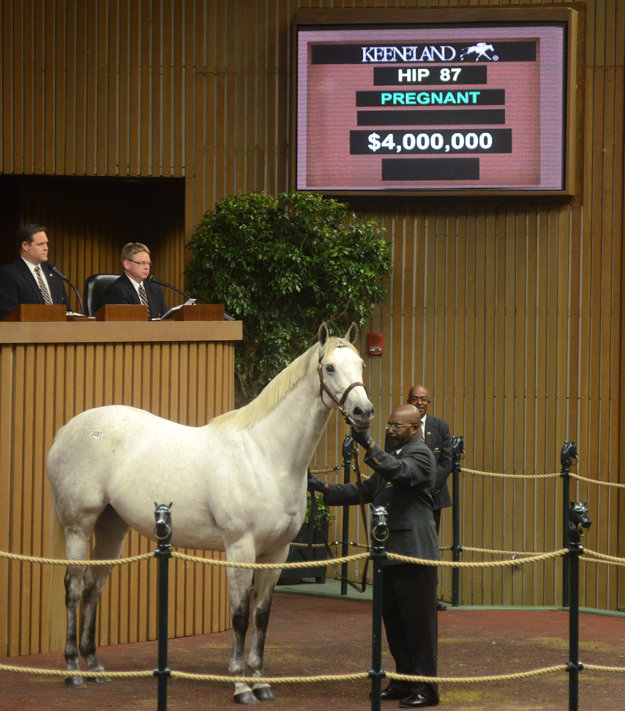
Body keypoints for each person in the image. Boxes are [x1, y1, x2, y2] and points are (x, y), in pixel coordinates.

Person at [308, 404, 440, 708]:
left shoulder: (420, 454)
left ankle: (427, 689)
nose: (391, 429)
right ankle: (404, 681)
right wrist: (323, 487)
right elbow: (365, 490)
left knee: (419, 626)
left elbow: (400, 474)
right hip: (388, 554)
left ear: (414, 429)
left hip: (414, 555)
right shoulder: (392, 457)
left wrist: (369, 444)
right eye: (390, 424)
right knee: (394, 622)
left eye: (397, 426)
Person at [408, 385, 452, 611]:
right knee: (409, 547)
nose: (420, 403)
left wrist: (430, 487)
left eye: (424, 399)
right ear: (408, 401)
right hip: (407, 499)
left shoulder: (440, 426)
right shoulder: (400, 423)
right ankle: (408, 596)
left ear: (429, 402)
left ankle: (428, 598)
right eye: (415, 399)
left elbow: (447, 461)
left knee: (430, 548)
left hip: (433, 498)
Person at [0, 224, 70, 320]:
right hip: (27, 332)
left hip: (58, 332)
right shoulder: (9, 274)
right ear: (25, 246)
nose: (46, 248)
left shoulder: (53, 272)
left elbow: (66, 310)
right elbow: (9, 313)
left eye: (46, 243)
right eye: (41, 244)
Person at [101, 242, 167, 319]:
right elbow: (125, 322)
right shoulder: (116, 291)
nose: (147, 267)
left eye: (148, 263)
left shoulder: (155, 289)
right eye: (142, 263)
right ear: (127, 264)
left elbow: (165, 318)